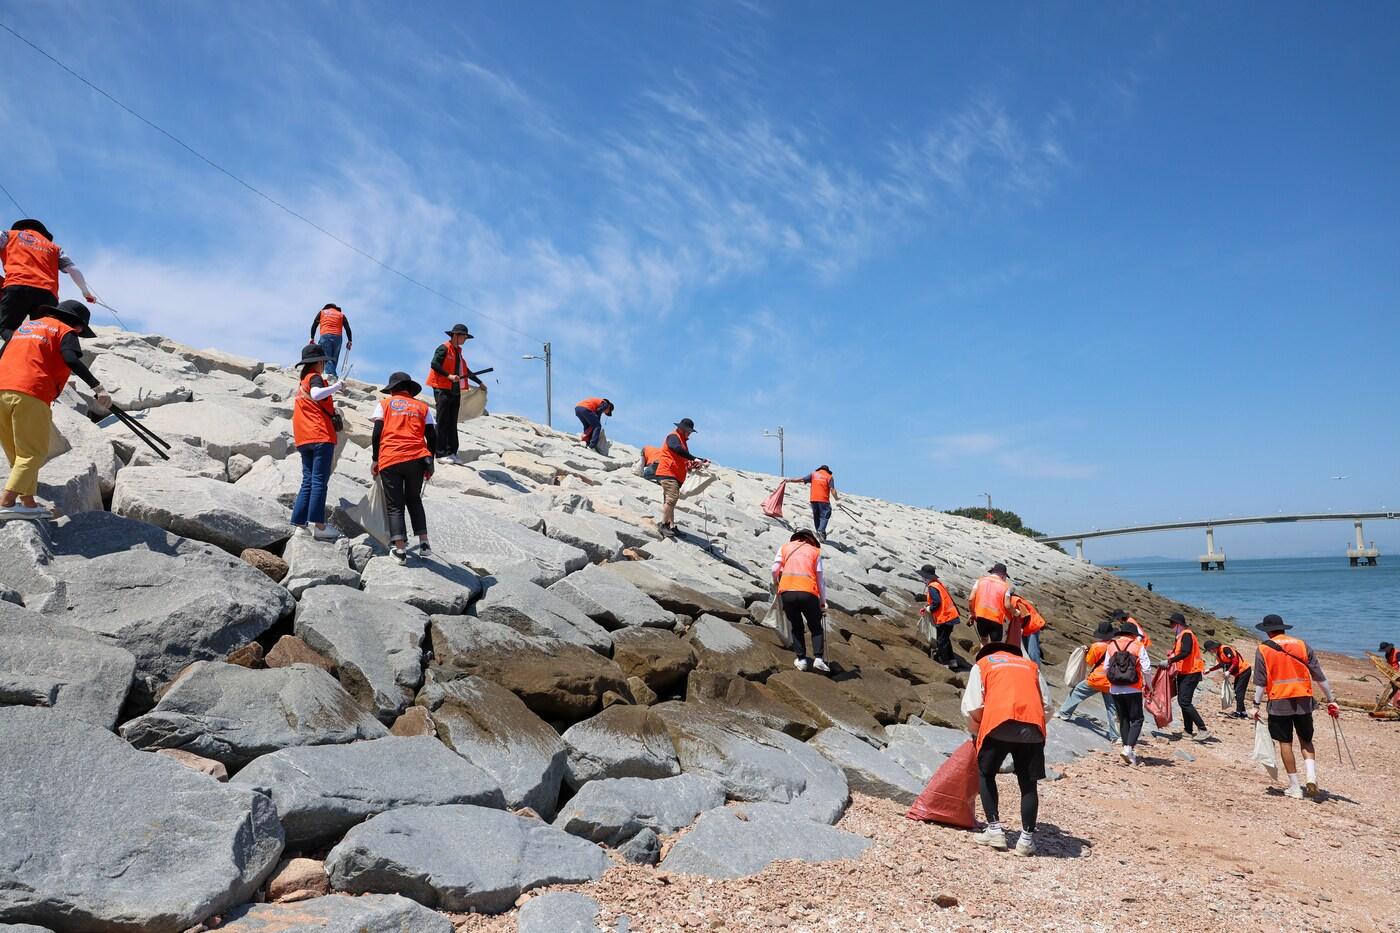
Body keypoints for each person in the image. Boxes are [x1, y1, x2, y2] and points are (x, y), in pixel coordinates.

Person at [0, 300, 109, 518]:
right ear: (77, 326)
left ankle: (28, 503)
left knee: (17, 454)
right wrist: (98, 388)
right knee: (33, 452)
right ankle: (6, 502)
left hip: (2, 389)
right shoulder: (65, 331)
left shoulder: (24, 328)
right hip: (31, 392)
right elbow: (70, 358)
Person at [962, 641, 1050, 857]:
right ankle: (1026, 840)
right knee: (1028, 784)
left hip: (997, 725)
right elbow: (1047, 705)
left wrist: (978, 731)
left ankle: (994, 830)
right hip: (1032, 729)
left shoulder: (982, 665)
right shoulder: (1030, 666)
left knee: (986, 774)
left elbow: (972, 705)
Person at [1252, 614, 1338, 799]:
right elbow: (1319, 676)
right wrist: (1331, 699)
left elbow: (1260, 681)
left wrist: (1255, 704)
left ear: (1267, 631)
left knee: (1285, 743)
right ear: (1283, 628)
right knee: (1306, 740)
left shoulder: (1263, 650)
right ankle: (1311, 776)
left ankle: (1295, 787)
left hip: (1279, 700)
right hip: (1303, 699)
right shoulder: (1302, 644)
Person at [371, 371, 436, 563]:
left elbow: (376, 434)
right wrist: (430, 461)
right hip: (417, 458)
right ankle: (424, 543)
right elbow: (432, 436)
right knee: (414, 499)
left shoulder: (384, 404)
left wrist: (375, 459)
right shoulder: (422, 407)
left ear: (393, 390)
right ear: (409, 389)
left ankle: (400, 551)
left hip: (391, 458)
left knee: (395, 505)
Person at [0, 221, 97, 341]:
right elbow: (73, 269)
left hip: (17, 286)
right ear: (43, 233)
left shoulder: (8, 235)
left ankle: (17, 350)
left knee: (6, 328)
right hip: (47, 295)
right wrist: (86, 293)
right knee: (41, 335)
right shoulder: (54, 247)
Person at [289, 343, 343, 540]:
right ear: (319, 362)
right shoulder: (315, 378)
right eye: (323, 362)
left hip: (304, 437)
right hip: (320, 435)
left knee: (308, 481)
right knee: (320, 480)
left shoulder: (303, 380)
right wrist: (337, 386)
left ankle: (299, 524)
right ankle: (319, 526)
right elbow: (316, 394)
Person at [1054, 621, 1120, 743]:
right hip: (1112, 681)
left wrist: (1087, 652)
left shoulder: (1097, 646)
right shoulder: (1117, 645)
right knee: (1112, 708)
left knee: (1077, 692)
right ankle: (1115, 736)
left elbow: (1090, 661)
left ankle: (1064, 713)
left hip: (1097, 679)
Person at [773, 530, 828, 673]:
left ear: (795, 539)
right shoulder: (815, 551)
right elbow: (820, 580)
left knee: (796, 627)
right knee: (815, 626)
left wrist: (776, 583)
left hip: (787, 592)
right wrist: (823, 601)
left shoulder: (785, 547)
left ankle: (802, 660)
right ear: (810, 540)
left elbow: (774, 569)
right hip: (808, 593)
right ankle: (818, 659)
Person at [424, 323, 478, 464]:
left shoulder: (458, 352)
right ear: (455, 335)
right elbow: (434, 364)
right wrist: (448, 376)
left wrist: (479, 382)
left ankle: (452, 452)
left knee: (452, 421)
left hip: (454, 390)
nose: (465, 340)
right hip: (441, 388)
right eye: (464, 337)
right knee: (442, 420)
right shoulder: (443, 348)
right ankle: (440, 453)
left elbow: (465, 371)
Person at [1106, 621, 1152, 765]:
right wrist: (1149, 686)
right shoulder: (1138, 646)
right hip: (1133, 687)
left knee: (1123, 718)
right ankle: (1128, 748)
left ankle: (1127, 750)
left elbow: (1106, 667)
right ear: (1133, 635)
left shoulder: (1111, 646)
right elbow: (1146, 668)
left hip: (1115, 688)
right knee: (1137, 719)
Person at [653, 418, 706, 539]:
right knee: (672, 498)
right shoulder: (673, 436)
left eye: (691, 432)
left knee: (671, 500)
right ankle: (663, 525)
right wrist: (694, 458)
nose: (690, 433)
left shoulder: (682, 440)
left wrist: (698, 461)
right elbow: (676, 448)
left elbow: (683, 457)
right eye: (689, 431)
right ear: (682, 429)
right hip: (668, 472)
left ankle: (671, 526)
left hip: (675, 474)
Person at [1166, 613, 1210, 741]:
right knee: (1185, 701)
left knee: (1184, 701)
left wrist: (1170, 661)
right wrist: (1172, 654)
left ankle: (1202, 729)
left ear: (1179, 624)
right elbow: (1182, 652)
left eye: (1172, 624)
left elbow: (1186, 652)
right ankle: (1188, 731)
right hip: (1185, 672)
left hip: (1192, 672)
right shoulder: (1181, 635)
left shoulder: (1186, 635)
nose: (1171, 626)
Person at [918, 564, 961, 667]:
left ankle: (945, 663)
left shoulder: (932, 587)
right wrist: (928, 606)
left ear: (925, 577)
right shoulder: (937, 584)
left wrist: (929, 608)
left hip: (946, 617)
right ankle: (952, 661)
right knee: (945, 639)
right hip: (951, 616)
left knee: (941, 640)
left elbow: (937, 602)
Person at [967, 563, 1016, 645]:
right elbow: (1007, 605)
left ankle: (982, 657)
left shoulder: (980, 581)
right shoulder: (1005, 586)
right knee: (995, 645)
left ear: (992, 572)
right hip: (995, 618)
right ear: (1003, 575)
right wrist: (1015, 612)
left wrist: (972, 613)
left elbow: (971, 599)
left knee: (983, 640)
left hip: (981, 616)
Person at [1204, 639, 1252, 718]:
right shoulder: (1219, 653)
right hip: (1239, 673)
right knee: (1237, 692)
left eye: (1209, 650)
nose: (1210, 652)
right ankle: (1243, 713)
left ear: (1212, 648)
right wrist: (1209, 670)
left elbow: (1235, 661)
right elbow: (1221, 664)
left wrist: (1229, 671)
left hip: (1244, 670)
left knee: (1238, 692)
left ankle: (1238, 712)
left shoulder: (1225, 649)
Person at [788, 465, 837, 540]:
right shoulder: (829, 476)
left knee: (816, 516)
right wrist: (837, 499)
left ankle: (819, 532)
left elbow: (802, 479)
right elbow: (832, 489)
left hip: (813, 499)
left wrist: (790, 480)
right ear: (827, 471)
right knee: (825, 515)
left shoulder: (814, 474)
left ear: (819, 469)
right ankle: (821, 531)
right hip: (824, 500)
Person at [308, 303, 352, 379]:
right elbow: (347, 328)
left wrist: (312, 337)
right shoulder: (341, 315)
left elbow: (314, 325)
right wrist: (350, 340)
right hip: (338, 338)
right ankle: (332, 375)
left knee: (326, 356)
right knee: (334, 357)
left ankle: (330, 375)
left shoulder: (322, 312)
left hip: (325, 335)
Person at [1009, 594, 1047, 667]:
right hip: (1026, 628)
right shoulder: (1011, 601)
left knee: (1032, 652)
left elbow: (1026, 615)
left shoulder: (1014, 601)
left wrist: (1020, 627)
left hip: (1033, 625)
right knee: (1026, 651)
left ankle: (1036, 671)